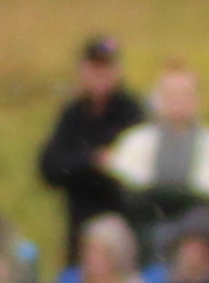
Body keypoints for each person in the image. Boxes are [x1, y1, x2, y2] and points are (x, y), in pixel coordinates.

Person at [98, 66, 209, 240]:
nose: (177, 101)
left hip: (197, 227)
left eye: (184, 94)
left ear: (198, 99)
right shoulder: (134, 141)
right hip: (143, 223)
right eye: (170, 95)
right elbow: (128, 182)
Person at [35, 35, 143, 263]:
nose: (100, 74)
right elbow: (50, 166)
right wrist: (92, 161)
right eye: (95, 67)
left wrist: (95, 167)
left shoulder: (132, 112)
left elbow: (136, 167)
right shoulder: (73, 115)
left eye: (107, 67)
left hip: (125, 222)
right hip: (80, 228)